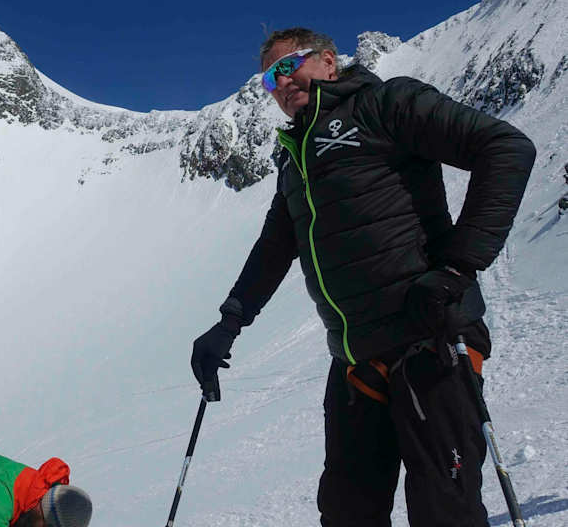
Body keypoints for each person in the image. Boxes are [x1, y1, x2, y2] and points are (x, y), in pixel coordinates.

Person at [190, 27, 535, 526]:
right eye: (268, 79)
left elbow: (506, 148)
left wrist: (457, 268)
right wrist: (229, 322)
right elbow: (273, 248)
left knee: (445, 510)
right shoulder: (296, 159)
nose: (279, 83)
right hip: (354, 359)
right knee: (348, 513)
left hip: (429, 339)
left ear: (329, 62)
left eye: (288, 66)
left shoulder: (385, 103)